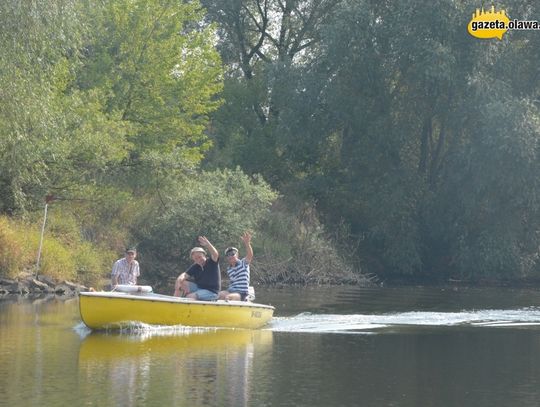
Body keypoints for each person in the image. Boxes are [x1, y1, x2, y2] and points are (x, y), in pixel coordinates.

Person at [174, 236, 221, 301]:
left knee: (189, 296)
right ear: (194, 260)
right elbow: (184, 275)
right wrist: (178, 281)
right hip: (199, 289)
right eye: (196, 258)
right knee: (181, 283)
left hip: (212, 292)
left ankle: (190, 310)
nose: (198, 259)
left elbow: (215, 254)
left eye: (199, 257)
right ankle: (175, 302)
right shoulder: (195, 266)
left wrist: (208, 245)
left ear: (204, 255)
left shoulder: (212, 262)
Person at [218, 231, 253, 301]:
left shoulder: (243, 263)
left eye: (232, 254)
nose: (230, 256)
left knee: (228, 297)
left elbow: (250, 255)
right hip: (231, 290)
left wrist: (247, 243)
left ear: (237, 255)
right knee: (217, 295)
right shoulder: (229, 269)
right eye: (228, 255)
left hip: (242, 293)